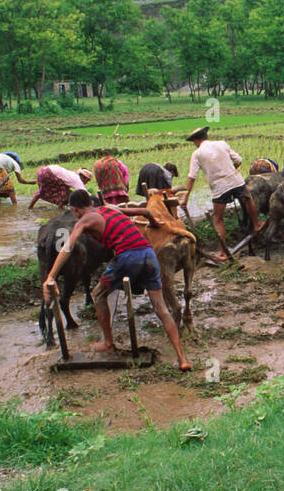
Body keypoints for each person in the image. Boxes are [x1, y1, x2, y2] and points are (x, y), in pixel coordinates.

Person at [41, 189, 192, 371]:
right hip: (148, 253)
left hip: (128, 256)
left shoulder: (85, 220)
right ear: (91, 202)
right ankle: (182, 358)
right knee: (161, 309)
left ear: (75, 209)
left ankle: (108, 343)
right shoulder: (111, 208)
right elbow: (145, 212)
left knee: (98, 294)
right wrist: (154, 223)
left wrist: (51, 276)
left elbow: (68, 245)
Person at [178, 126, 264, 259]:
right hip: (236, 181)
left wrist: (185, 198)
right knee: (248, 199)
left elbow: (192, 177)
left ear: (196, 141)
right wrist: (229, 170)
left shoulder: (197, 154)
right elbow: (239, 160)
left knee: (218, 219)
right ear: (207, 136)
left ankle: (223, 252)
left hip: (219, 188)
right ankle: (256, 225)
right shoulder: (221, 143)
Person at [29, 164, 93, 209]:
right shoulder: (77, 179)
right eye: (87, 180)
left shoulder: (71, 174)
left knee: (41, 190)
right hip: (48, 173)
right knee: (67, 193)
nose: (86, 182)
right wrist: (95, 198)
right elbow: (84, 193)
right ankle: (60, 208)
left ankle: (30, 207)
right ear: (83, 177)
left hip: (41, 171)